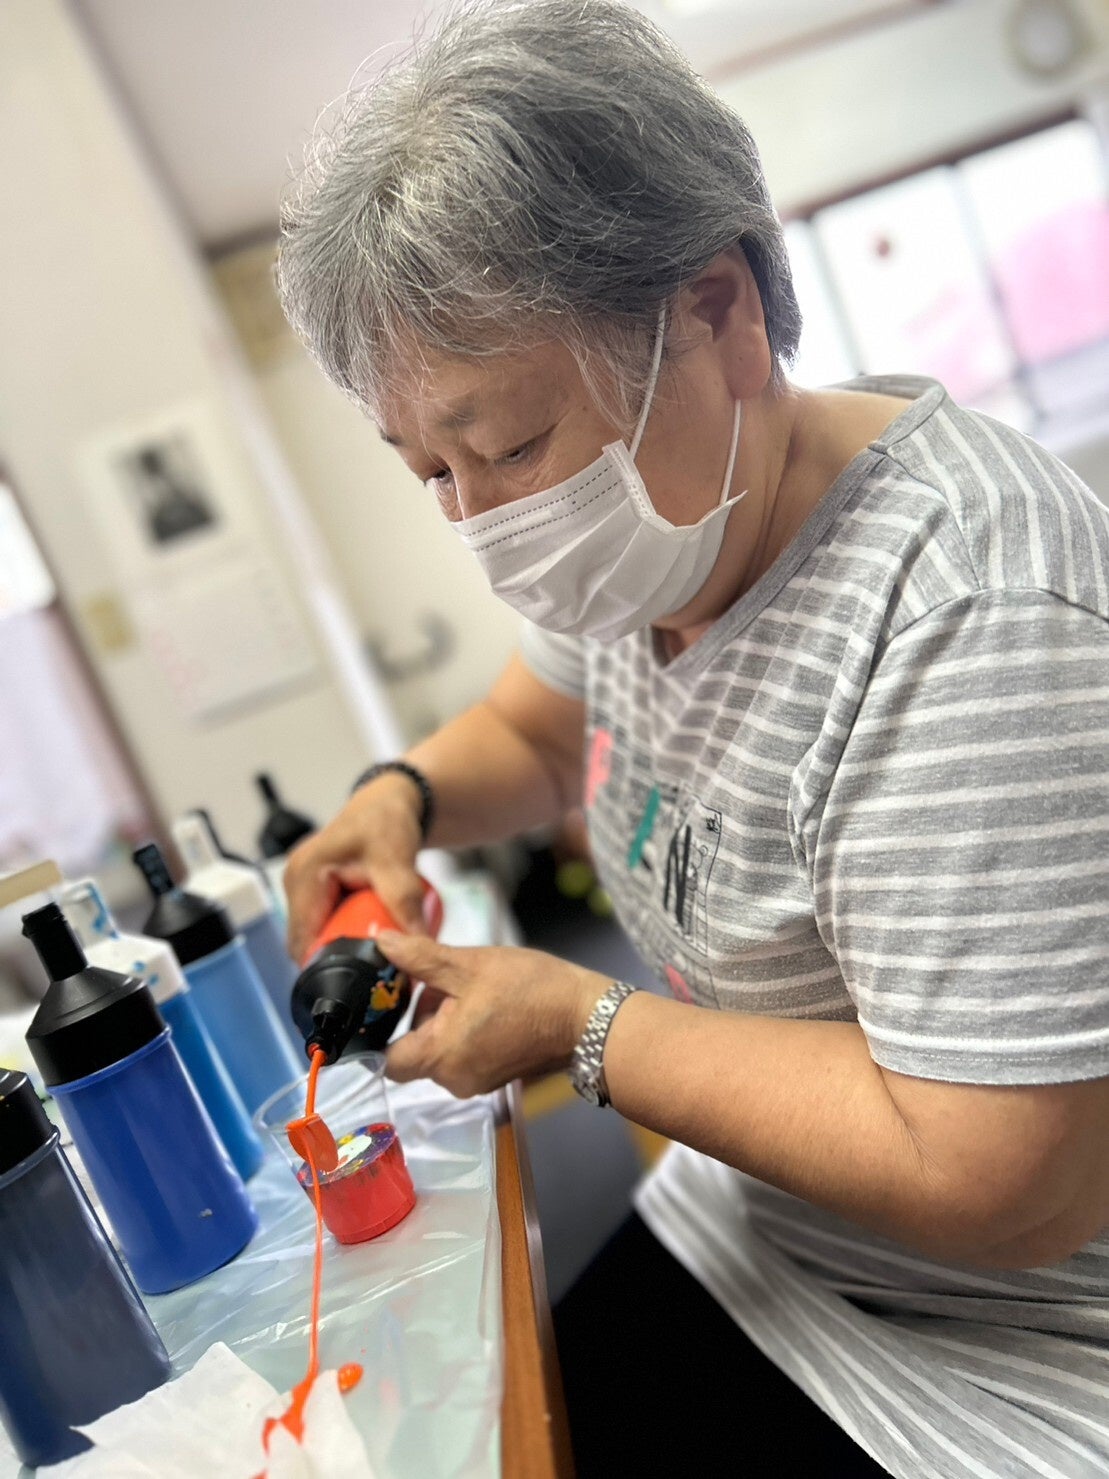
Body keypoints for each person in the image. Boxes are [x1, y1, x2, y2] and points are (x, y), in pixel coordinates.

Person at [276, 3, 1109, 1474]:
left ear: (718, 314)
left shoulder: (965, 606)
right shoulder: (662, 545)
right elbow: (535, 732)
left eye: (513, 447)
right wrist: (402, 795)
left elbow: (1000, 1178)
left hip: (996, 1354)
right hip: (765, 1242)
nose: (488, 524)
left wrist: (578, 1025)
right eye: (432, 473)